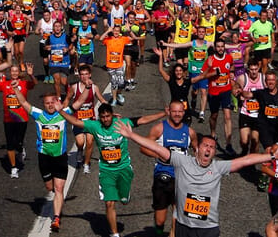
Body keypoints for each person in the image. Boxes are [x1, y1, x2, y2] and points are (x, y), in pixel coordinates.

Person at [119, 121, 272, 237]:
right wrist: (131, 135)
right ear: (197, 148)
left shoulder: (218, 167)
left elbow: (246, 160)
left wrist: (271, 156)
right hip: (183, 226)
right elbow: (157, 148)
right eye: (206, 146)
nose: (209, 149)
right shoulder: (182, 161)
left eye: (212, 148)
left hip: (208, 228)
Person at [57, 101, 165, 237]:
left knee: (124, 200)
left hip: (124, 168)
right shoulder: (95, 126)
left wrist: (164, 113)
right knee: (109, 203)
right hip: (106, 170)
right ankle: (115, 234)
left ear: (112, 116)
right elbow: (77, 122)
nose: (105, 119)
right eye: (103, 117)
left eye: (108, 116)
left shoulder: (122, 123)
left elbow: (142, 120)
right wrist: (61, 111)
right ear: (99, 117)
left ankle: (125, 195)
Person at [12, 87, 71, 233]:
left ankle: (56, 218)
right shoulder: (38, 115)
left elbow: (80, 102)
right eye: (47, 103)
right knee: (50, 188)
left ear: (57, 102)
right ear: (44, 105)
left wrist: (87, 87)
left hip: (60, 158)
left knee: (58, 189)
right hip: (44, 158)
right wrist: (15, 88)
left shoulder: (64, 114)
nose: (50, 105)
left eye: (52, 102)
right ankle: (57, 206)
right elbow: (24, 102)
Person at [141, 100, 197, 235]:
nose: (177, 114)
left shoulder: (190, 132)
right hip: (163, 175)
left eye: (180, 112)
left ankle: (174, 233)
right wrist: (158, 155)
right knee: (160, 220)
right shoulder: (159, 129)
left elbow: (198, 151)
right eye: (174, 111)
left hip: (181, 177)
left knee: (179, 213)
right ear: (169, 112)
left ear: (184, 113)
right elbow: (143, 147)